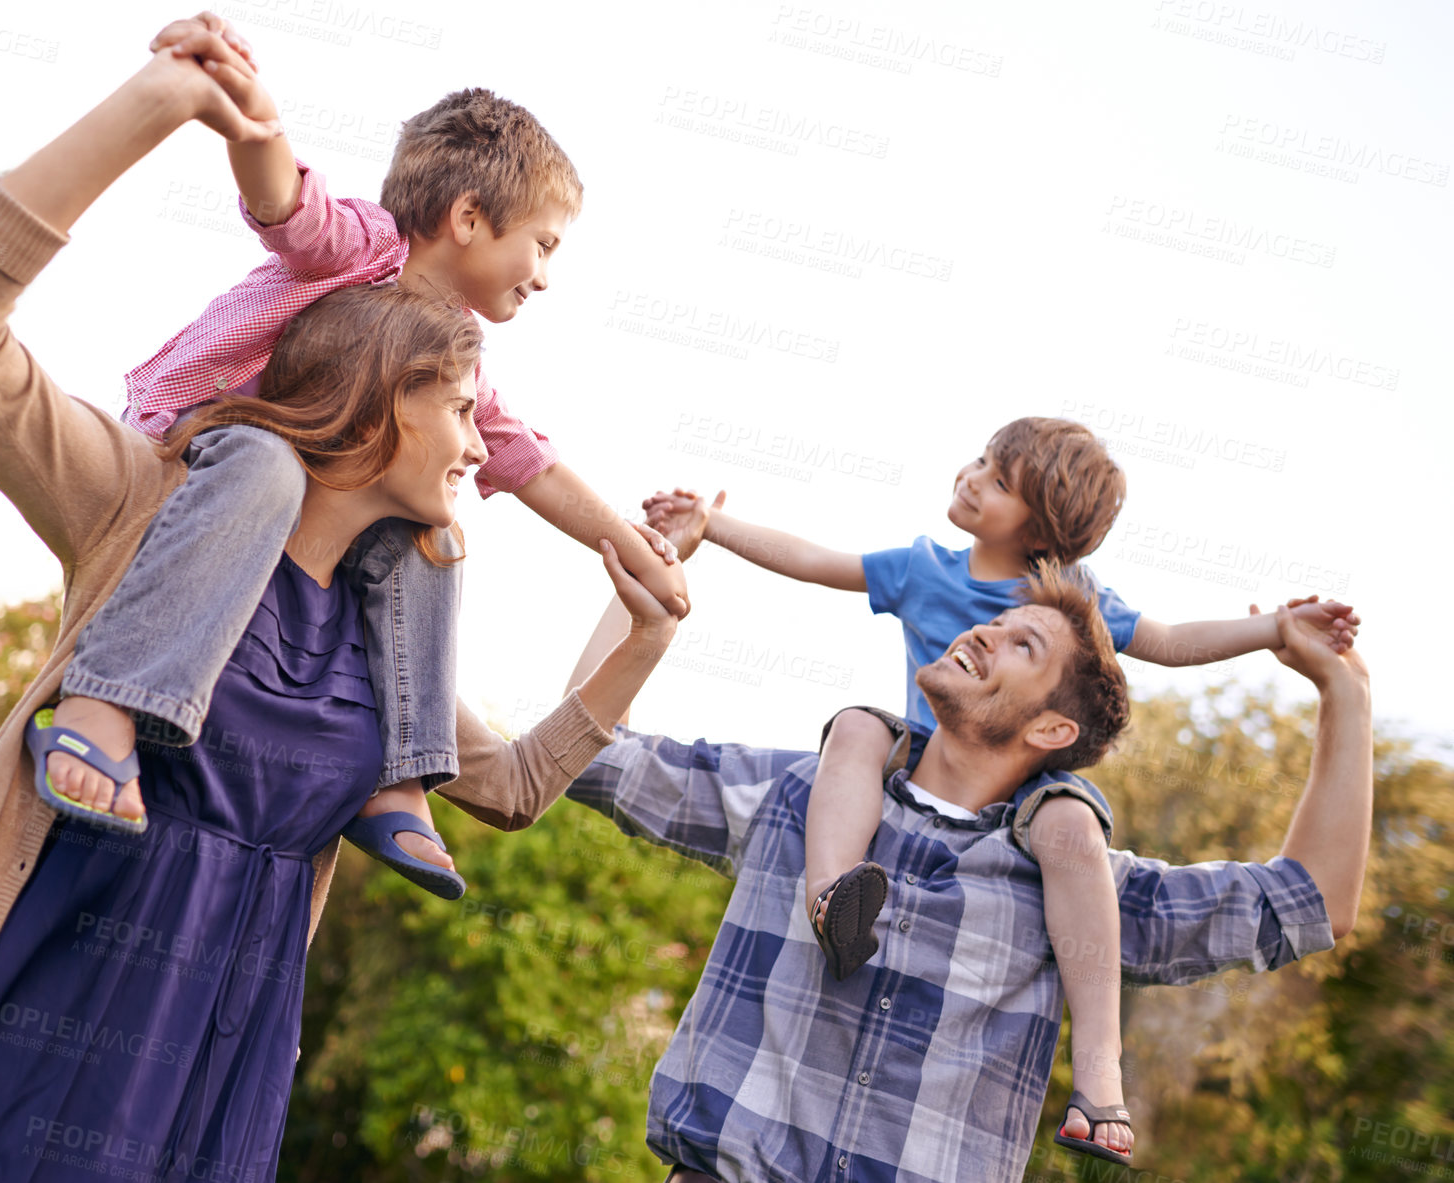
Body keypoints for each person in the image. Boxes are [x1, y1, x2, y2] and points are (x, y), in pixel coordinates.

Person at [0, 34, 684, 1183]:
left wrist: (647, 632)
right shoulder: (148, 514)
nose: (484, 443)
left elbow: (515, 790)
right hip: (8, 1037)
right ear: (385, 396)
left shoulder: (386, 631)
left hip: (209, 1086)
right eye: (464, 408)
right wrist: (159, 105)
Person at [39, 12, 687, 900]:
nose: (545, 273)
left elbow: (518, 454)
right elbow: (287, 207)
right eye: (542, 243)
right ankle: (108, 702)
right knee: (267, 462)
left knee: (433, 534)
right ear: (467, 217)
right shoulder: (367, 249)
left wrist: (626, 542)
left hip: (308, 496)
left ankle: (399, 775)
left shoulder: (453, 346)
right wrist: (254, 121)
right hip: (204, 446)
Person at [566, 502, 1371, 1183]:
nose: (985, 634)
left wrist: (1344, 691)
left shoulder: (1075, 884)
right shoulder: (805, 795)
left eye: (1024, 644)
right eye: (995, 621)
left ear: (1052, 727)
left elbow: (1310, 902)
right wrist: (648, 605)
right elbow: (587, 755)